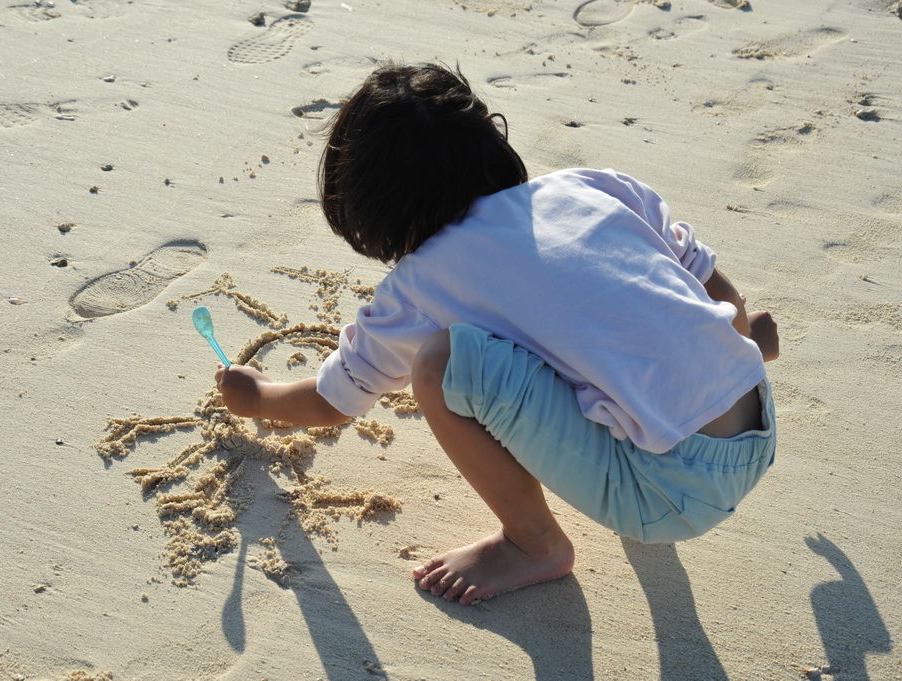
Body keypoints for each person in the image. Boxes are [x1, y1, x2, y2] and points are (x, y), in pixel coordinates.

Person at [215, 63, 780, 605]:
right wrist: (741, 337)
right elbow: (715, 293)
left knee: (440, 364)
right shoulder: (593, 186)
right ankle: (687, 393)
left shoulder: (420, 285)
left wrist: (256, 397)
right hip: (757, 423)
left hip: (667, 497)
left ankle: (532, 544)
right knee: (572, 330)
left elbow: (333, 400)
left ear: (371, 206)